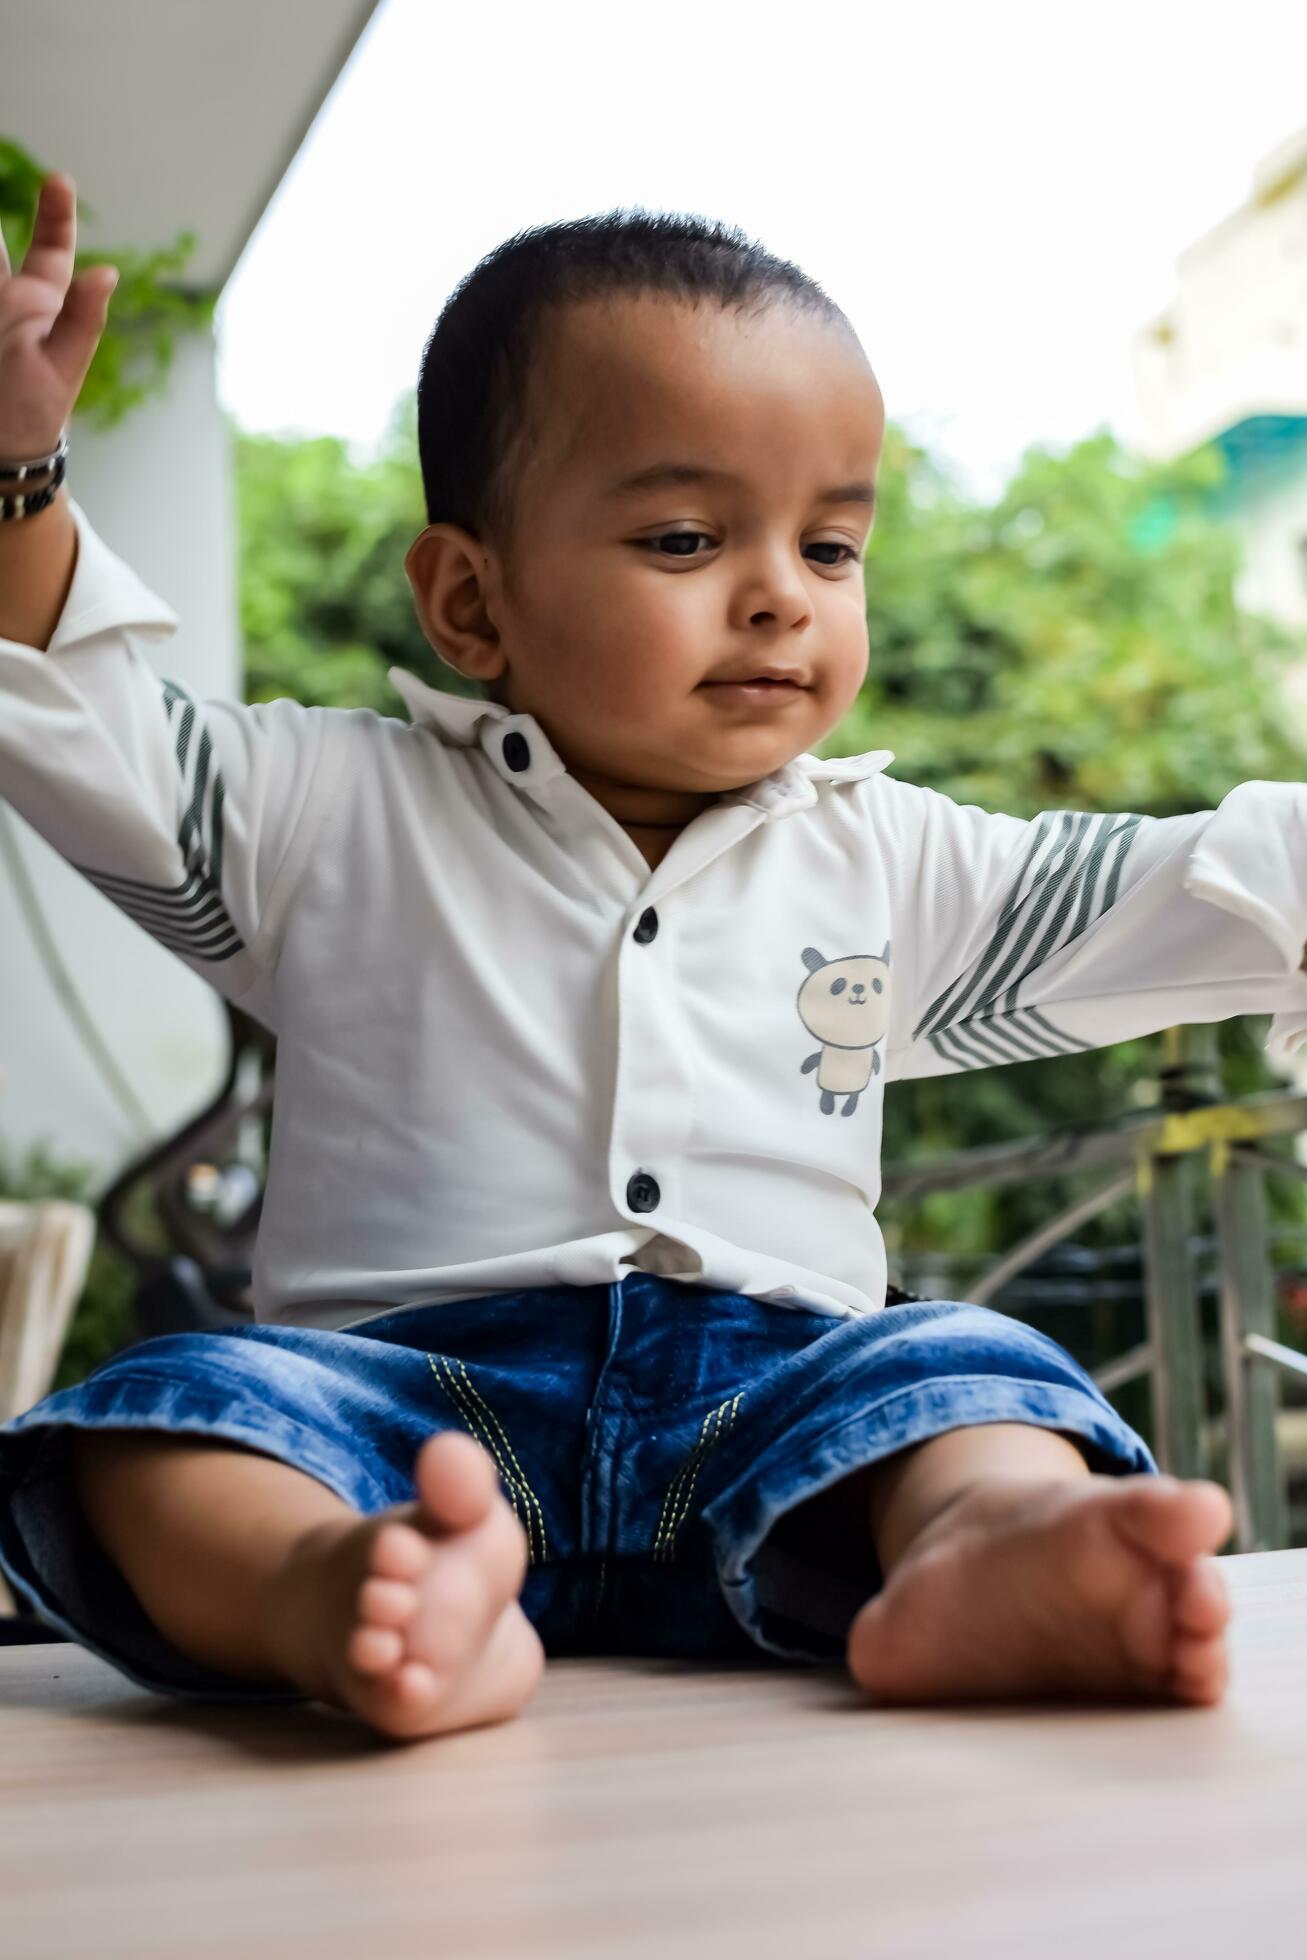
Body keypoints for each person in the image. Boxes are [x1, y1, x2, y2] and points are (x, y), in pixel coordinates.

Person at [1, 172, 1300, 1745]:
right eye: (687, 536)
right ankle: (341, 1588)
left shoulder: (891, 860)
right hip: (406, 1412)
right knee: (161, 1423)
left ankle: (978, 1551)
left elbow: (1202, 882)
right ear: (470, 600)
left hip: (784, 1413)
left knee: (966, 1373)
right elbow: (82, 714)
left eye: (831, 548)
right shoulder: (319, 807)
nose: (777, 595)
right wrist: (21, 482)